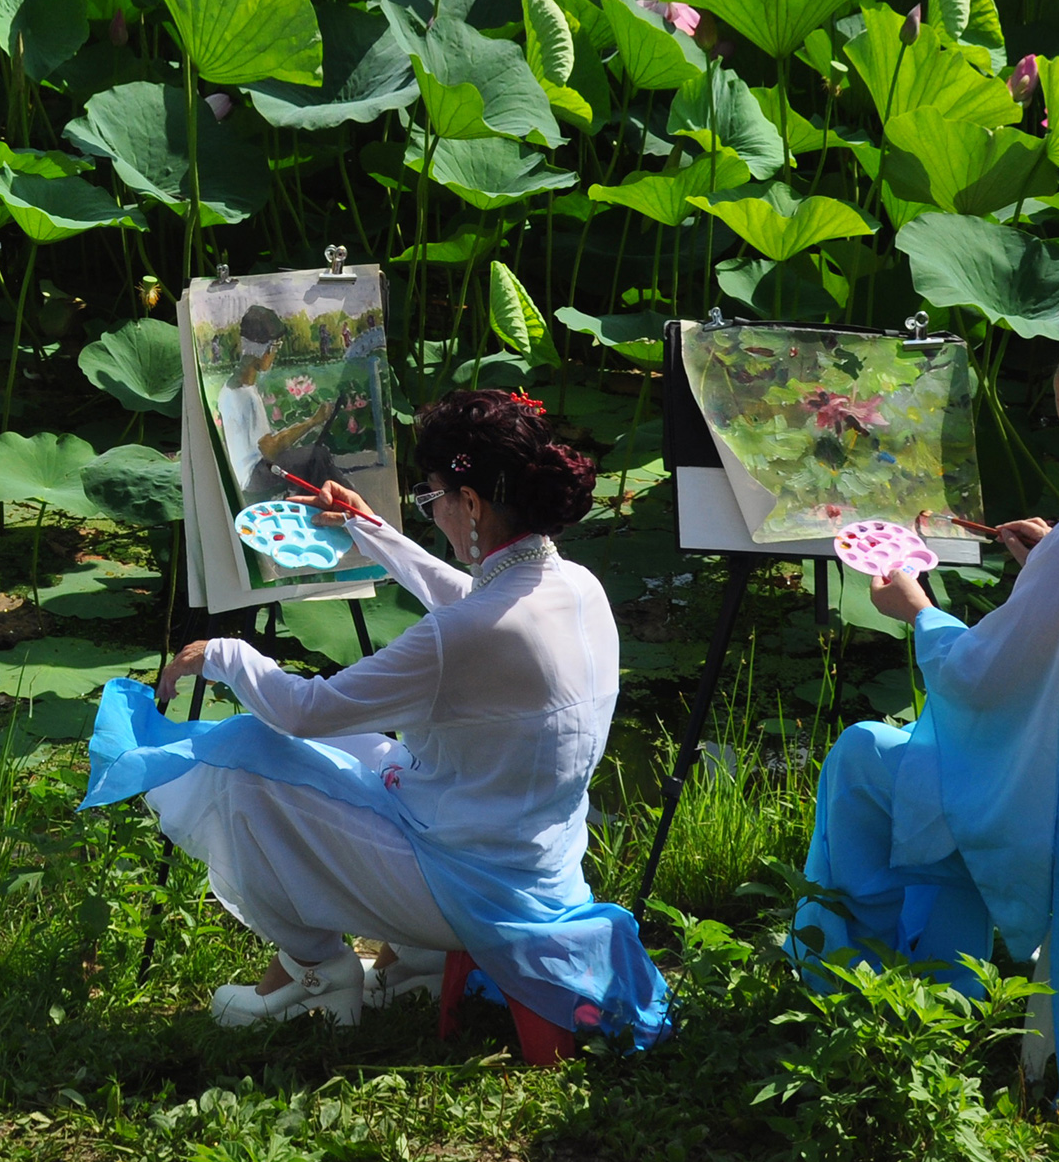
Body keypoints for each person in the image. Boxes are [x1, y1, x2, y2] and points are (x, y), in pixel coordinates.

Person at [84, 389, 670, 1045]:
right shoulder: (576, 586)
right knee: (365, 749)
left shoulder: (466, 636)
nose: (434, 509)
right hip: (532, 861)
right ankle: (411, 964)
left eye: (435, 497)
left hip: (468, 888)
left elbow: (306, 712)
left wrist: (224, 654)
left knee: (243, 758)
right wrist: (374, 531)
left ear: (471, 504)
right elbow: (476, 604)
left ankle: (315, 970)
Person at [794, 276, 1059, 1111]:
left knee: (865, 756)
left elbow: (981, 680)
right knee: (924, 777)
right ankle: (942, 977)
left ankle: (852, 979)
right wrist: (1054, 558)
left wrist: (916, 609)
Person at [215, 303, 341, 504]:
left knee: (310, 459)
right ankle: (344, 510)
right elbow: (270, 449)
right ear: (264, 349)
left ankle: (331, 505)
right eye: (276, 348)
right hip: (253, 477)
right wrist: (313, 421)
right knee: (318, 456)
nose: (274, 355)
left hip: (242, 474)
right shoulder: (246, 396)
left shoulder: (228, 389)